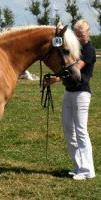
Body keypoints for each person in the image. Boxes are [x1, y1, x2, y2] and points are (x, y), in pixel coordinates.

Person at [46, 19, 96, 180]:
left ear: (88, 33)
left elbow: (75, 69)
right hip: (69, 92)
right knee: (68, 130)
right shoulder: (75, 47)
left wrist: (55, 79)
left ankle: (88, 170)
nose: (80, 37)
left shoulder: (88, 50)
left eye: (82, 34)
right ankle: (78, 166)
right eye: (78, 34)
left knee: (81, 131)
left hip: (82, 93)